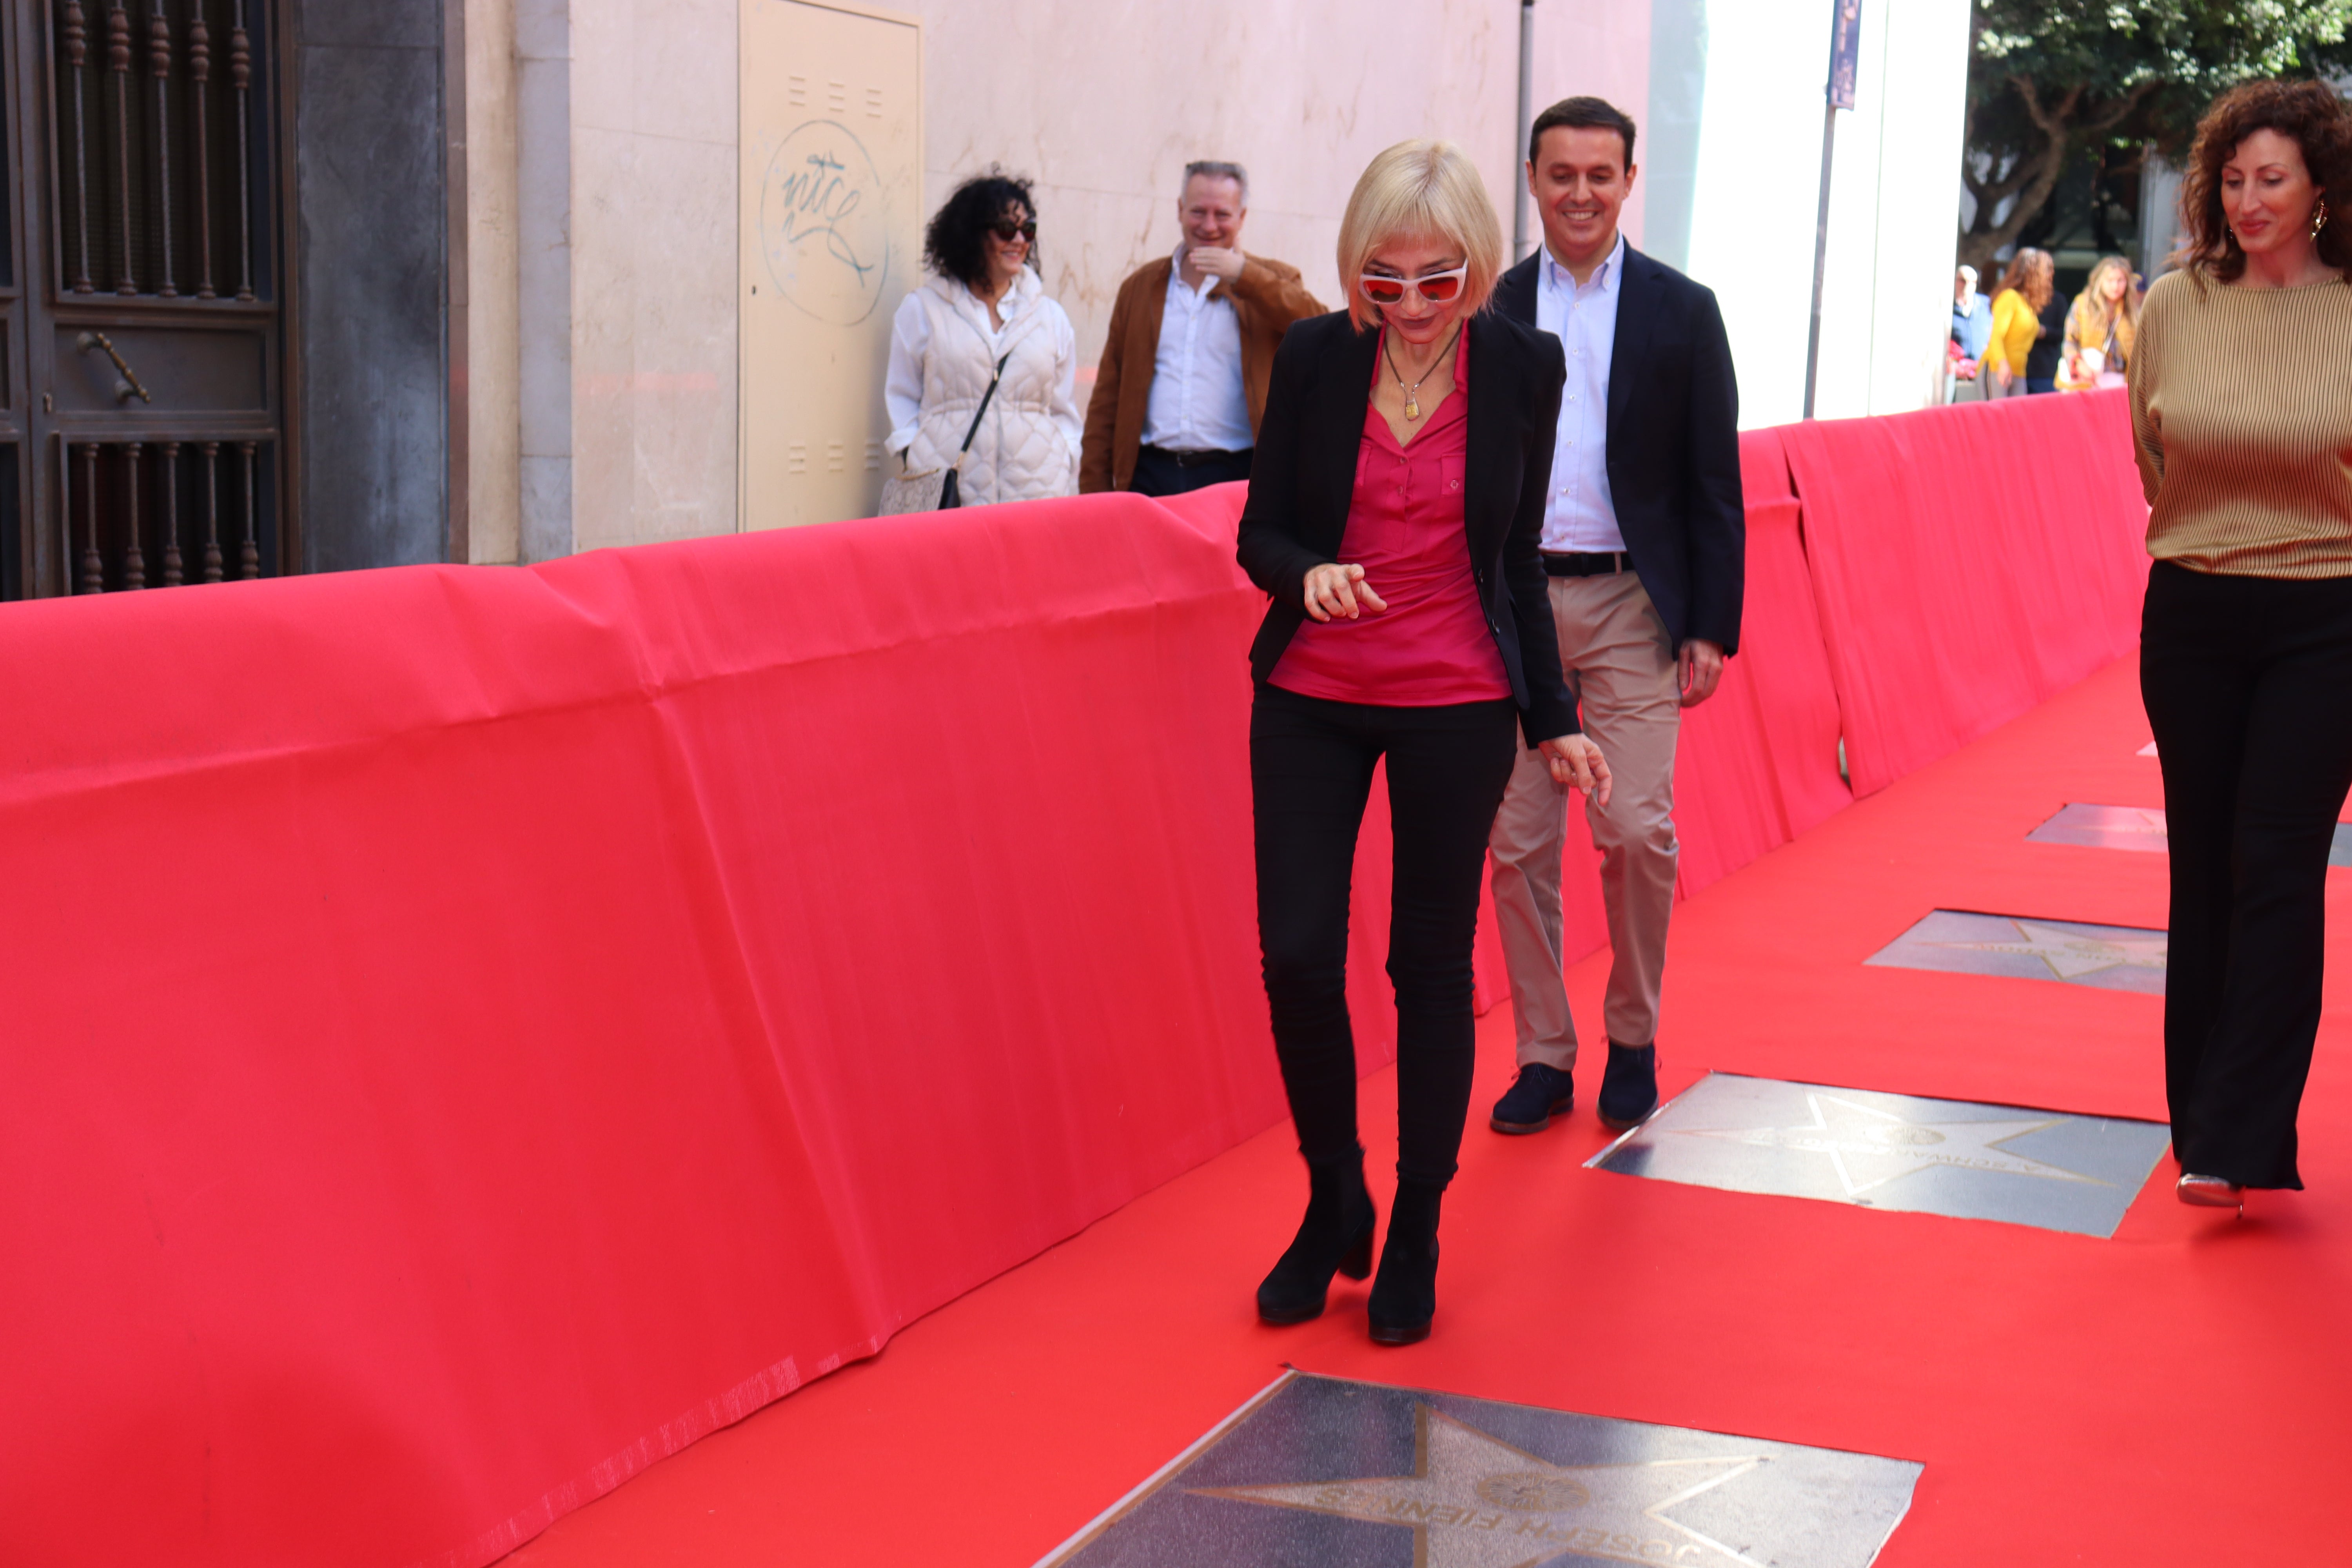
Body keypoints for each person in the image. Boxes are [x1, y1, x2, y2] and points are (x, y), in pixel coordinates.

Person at [1237, 139, 1606, 1345]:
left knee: (1424, 966)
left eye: (1433, 282)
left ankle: (1414, 1223)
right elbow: (1260, 534)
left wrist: (1551, 717)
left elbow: (1514, 559)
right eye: (1378, 279)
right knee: (1295, 955)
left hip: (1452, 693)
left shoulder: (1520, 366)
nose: (1403, 306)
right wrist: (1310, 573)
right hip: (1311, 684)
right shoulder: (1312, 352)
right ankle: (1332, 1189)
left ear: (1479, 269)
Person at [1481, 96, 1743, 1139]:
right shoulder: (1490, 305)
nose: (1581, 192)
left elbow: (1712, 481)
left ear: (1629, 181)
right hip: (1516, 607)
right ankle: (1544, 1054)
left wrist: (1709, 623)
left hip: (1637, 603)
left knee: (1636, 831)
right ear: (1535, 181)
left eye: (1601, 174)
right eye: (1561, 174)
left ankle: (1632, 1039)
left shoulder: (1684, 310)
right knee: (1515, 844)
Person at [2131, 78, 2352, 1212]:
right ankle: (2198, 1122)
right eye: (2233, 179)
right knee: (2203, 864)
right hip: (2195, 611)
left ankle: (2241, 1137)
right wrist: (2210, 539)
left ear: (2321, 189)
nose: (2250, 198)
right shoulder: (2173, 304)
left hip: (2330, 612)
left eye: (2274, 178)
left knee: (2275, 862)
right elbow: (2153, 454)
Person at [1080, 162, 1324, 496]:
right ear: (1180, 210)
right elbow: (1107, 398)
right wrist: (1094, 492)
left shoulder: (1273, 280)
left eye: (1222, 214)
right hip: (1149, 477)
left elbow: (1320, 329)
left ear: (1242, 217)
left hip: (1237, 476)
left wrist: (1245, 276)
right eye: (1198, 212)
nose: (1209, 226)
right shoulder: (1140, 288)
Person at [882, 172, 1080, 510]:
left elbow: (1063, 411)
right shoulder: (923, 309)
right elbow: (901, 399)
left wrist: (1065, 458)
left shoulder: (1051, 317)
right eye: (1006, 228)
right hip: (954, 499)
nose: (1019, 239)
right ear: (972, 234)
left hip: (1038, 497)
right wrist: (915, 454)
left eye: (1027, 229)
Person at [1982, 248, 2054, 399]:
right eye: (2047, 271)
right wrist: (2002, 364)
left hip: (2019, 372)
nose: (2051, 275)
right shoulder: (2009, 298)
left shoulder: (2027, 304)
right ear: (2035, 274)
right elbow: (1996, 336)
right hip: (1998, 368)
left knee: (2016, 420)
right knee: (1996, 420)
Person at [2058, 254, 2137, 391]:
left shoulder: (2132, 312)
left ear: (2127, 283)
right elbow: (2069, 342)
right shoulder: (2083, 304)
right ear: (2100, 281)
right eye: (2110, 280)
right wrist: (2079, 364)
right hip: (2085, 380)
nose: (2115, 286)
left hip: (2120, 382)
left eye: (2121, 281)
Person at [1948, 264, 1992, 402]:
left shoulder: (1986, 306)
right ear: (1955, 281)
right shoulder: (1948, 307)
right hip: (1956, 375)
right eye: (1962, 280)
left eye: (1972, 282)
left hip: (1982, 373)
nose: (1967, 285)